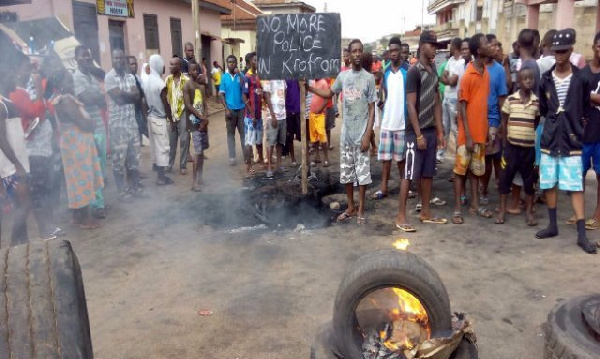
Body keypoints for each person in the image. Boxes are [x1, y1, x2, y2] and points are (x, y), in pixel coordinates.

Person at [535, 29, 595, 254]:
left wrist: (578, 128)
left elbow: (586, 107)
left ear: (571, 51)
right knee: (549, 182)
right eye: (557, 51)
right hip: (551, 137)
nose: (560, 55)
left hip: (572, 139)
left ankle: (581, 234)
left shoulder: (581, 78)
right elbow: (542, 106)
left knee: (575, 186)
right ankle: (552, 225)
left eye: (564, 51)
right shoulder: (547, 78)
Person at [308, 39, 376, 225]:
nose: (357, 54)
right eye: (354, 51)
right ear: (349, 54)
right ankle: (351, 207)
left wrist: (368, 135)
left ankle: (361, 208)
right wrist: (309, 88)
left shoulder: (368, 78)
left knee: (362, 174)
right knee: (346, 173)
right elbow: (329, 93)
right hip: (346, 135)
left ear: (362, 53)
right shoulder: (343, 77)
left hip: (361, 135)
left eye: (359, 51)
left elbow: (372, 109)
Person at [394, 31, 447, 232]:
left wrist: (440, 131)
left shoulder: (433, 69)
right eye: (432, 45)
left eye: (436, 45)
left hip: (431, 130)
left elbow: (436, 101)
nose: (434, 48)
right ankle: (400, 215)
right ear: (422, 45)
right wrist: (418, 135)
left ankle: (426, 212)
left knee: (427, 173)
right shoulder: (414, 71)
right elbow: (410, 105)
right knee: (408, 174)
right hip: (414, 132)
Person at [52, 69, 104, 229]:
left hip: (74, 145)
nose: (71, 84)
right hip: (76, 147)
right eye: (68, 81)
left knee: (75, 181)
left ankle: (77, 215)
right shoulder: (66, 101)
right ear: (60, 85)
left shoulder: (62, 100)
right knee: (83, 180)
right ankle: (85, 218)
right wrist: (91, 124)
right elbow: (83, 123)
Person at [452, 34, 493, 224]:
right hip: (466, 135)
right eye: (486, 43)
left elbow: (482, 104)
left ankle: (475, 205)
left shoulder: (486, 73)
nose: (489, 45)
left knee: (476, 172)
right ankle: (458, 209)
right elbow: (462, 106)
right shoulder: (468, 75)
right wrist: (467, 134)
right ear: (479, 50)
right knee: (460, 171)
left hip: (479, 133)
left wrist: (485, 131)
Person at [496, 68, 540, 225]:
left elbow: (535, 121)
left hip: (528, 150)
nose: (528, 81)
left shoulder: (536, 102)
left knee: (529, 182)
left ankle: (528, 212)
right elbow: (504, 119)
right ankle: (501, 211)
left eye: (531, 78)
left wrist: (525, 134)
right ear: (519, 82)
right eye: (525, 78)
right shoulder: (511, 100)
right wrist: (506, 141)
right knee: (505, 179)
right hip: (511, 149)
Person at [73, 45, 108, 218]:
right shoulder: (76, 78)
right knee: (92, 168)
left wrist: (96, 98)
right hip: (87, 130)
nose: (87, 58)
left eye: (89, 55)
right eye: (83, 56)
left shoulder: (92, 78)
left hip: (99, 127)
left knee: (100, 168)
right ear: (76, 59)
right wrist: (97, 98)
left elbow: (102, 100)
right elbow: (85, 99)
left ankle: (98, 202)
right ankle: (96, 205)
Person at [371, 37, 408, 201]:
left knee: (401, 159)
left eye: (396, 50)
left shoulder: (408, 70)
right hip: (387, 122)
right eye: (391, 50)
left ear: (400, 51)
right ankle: (384, 188)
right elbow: (383, 93)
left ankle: (405, 187)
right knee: (386, 159)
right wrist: (383, 104)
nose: (393, 53)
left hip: (402, 123)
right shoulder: (385, 71)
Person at [0, 60, 32, 246]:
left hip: (15, 164)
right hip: (11, 167)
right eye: (12, 75)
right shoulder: (2, 104)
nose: (16, 78)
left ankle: (23, 243)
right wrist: (17, 164)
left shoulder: (8, 103)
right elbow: (1, 139)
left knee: (21, 206)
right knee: (25, 205)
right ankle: (13, 247)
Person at [105, 49, 142, 199]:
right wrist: (130, 96)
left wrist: (126, 95)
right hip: (117, 125)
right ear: (112, 60)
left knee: (134, 158)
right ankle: (121, 191)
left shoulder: (130, 77)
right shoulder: (109, 77)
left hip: (131, 124)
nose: (119, 61)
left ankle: (135, 188)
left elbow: (137, 97)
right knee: (118, 161)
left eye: (121, 58)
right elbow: (118, 100)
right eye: (116, 58)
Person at [480, 34, 508, 205]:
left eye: (498, 46)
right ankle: (480, 189)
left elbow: (502, 98)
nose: (496, 49)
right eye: (492, 45)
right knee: (478, 158)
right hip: (476, 119)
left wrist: (502, 124)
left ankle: (489, 189)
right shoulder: (474, 67)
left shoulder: (499, 70)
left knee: (492, 157)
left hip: (492, 119)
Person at [143, 54, 173, 186]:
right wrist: (171, 119)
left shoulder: (147, 80)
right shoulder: (160, 83)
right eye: (162, 64)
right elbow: (165, 103)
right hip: (160, 119)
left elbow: (143, 101)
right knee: (162, 148)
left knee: (155, 148)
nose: (164, 66)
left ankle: (159, 174)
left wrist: (146, 116)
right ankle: (161, 178)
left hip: (150, 117)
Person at [581, 31, 600, 232]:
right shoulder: (584, 73)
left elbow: (583, 95)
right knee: (579, 174)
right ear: (594, 46)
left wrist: (589, 96)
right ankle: (578, 213)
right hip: (584, 133)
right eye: (599, 46)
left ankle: (597, 215)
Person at [184, 63, 209, 191]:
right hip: (194, 123)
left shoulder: (201, 86)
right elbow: (188, 105)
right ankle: (194, 183)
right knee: (198, 153)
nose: (195, 72)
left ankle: (200, 177)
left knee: (202, 152)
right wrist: (200, 116)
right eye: (192, 70)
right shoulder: (187, 86)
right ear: (188, 72)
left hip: (202, 123)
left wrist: (205, 118)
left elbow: (205, 103)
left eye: (197, 70)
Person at [439, 37, 464, 161]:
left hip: (454, 99)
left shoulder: (462, 62)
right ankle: (441, 153)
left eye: (451, 45)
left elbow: (453, 81)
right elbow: (442, 76)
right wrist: (448, 79)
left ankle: (459, 157)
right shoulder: (451, 60)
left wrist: (447, 80)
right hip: (447, 97)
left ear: (455, 46)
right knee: (445, 127)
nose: (450, 47)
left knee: (455, 129)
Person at [241, 52, 265, 176]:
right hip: (251, 117)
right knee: (249, 142)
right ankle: (248, 165)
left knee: (259, 139)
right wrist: (252, 113)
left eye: (258, 60)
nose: (257, 62)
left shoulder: (260, 75)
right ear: (250, 62)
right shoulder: (247, 77)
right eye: (255, 60)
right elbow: (244, 97)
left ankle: (260, 160)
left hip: (259, 115)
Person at [165, 57, 189, 175]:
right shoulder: (168, 80)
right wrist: (168, 116)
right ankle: (169, 164)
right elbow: (166, 98)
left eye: (173, 64)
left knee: (184, 140)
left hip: (183, 113)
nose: (170, 66)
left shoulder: (186, 80)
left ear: (179, 66)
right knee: (171, 142)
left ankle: (183, 165)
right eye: (170, 64)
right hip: (171, 114)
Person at [263, 79, 288, 177]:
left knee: (280, 142)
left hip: (283, 115)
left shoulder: (282, 80)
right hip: (273, 116)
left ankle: (279, 164)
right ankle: (269, 167)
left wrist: (283, 105)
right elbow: (266, 96)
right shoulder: (268, 80)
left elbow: (285, 90)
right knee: (271, 142)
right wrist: (273, 115)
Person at [308, 78, 331, 168]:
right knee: (314, 136)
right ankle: (317, 156)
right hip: (312, 113)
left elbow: (327, 99)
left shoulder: (323, 82)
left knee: (322, 135)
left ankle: (326, 158)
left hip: (320, 114)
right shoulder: (313, 82)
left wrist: (320, 109)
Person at [126, 55, 149, 144]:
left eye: (135, 64)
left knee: (140, 135)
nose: (134, 66)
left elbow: (143, 95)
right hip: (131, 113)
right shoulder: (126, 80)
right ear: (126, 65)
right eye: (131, 64)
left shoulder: (138, 78)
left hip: (140, 111)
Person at [285, 79, 301, 166]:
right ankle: (293, 158)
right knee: (289, 135)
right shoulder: (284, 77)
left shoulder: (298, 76)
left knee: (302, 135)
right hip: (288, 110)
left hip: (298, 108)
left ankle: (306, 157)